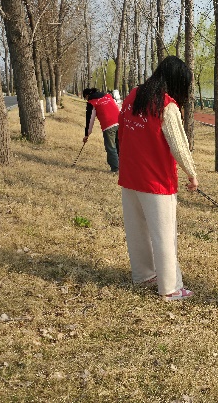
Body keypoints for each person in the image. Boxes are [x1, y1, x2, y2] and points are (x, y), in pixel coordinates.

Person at [117, 56, 198, 302]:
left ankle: (143, 275)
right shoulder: (166, 106)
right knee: (164, 235)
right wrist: (192, 173)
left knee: (137, 230)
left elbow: (121, 131)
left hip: (131, 176)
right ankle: (170, 288)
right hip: (156, 180)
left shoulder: (133, 97)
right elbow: (179, 145)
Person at [82, 87, 121, 172]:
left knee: (111, 147)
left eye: (85, 98)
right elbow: (118, 106)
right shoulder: (107, 96)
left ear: (87, 95)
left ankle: (115, 169)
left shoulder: (92, 102)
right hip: (120, 121)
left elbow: (90, 120)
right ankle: (124, 166)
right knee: (120, 145)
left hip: (109, 125)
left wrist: (87, 134)